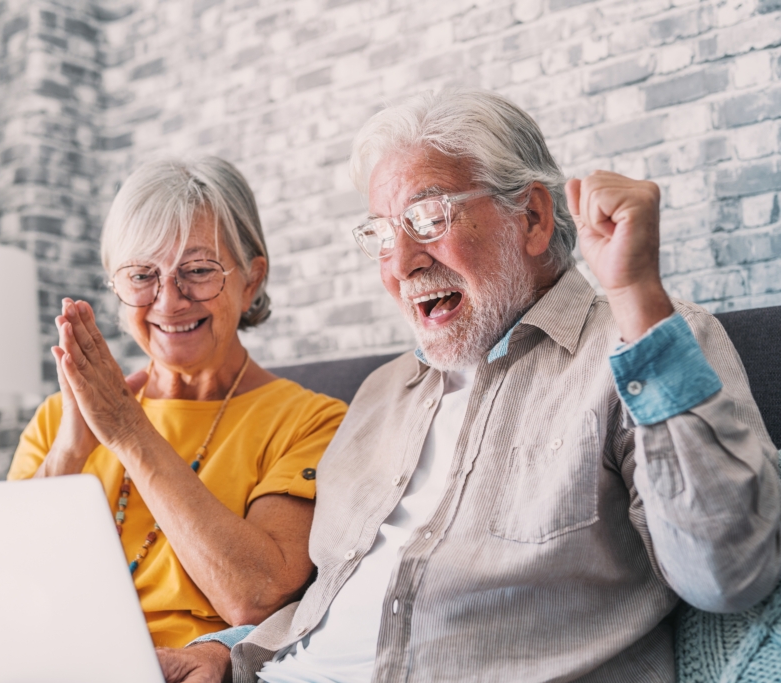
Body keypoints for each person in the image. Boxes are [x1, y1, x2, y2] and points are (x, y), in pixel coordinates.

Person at [157, 90, 781, 682]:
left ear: (532, 218)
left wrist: (635, 295)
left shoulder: (642, 343)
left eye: (427, 218)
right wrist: (228, 654)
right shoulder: (382, 394)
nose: (400, 264)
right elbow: (338, 595)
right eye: (380, 233)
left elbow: (728, 572)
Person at [7, 157, 348, 648]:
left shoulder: (311, 422)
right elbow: (4, 586)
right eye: (142, 275)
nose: (168, 301)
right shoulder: (60, 420)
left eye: (198, 270)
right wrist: (70, 450)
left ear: (251, 281)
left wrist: (128, 432)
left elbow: (254, 596)